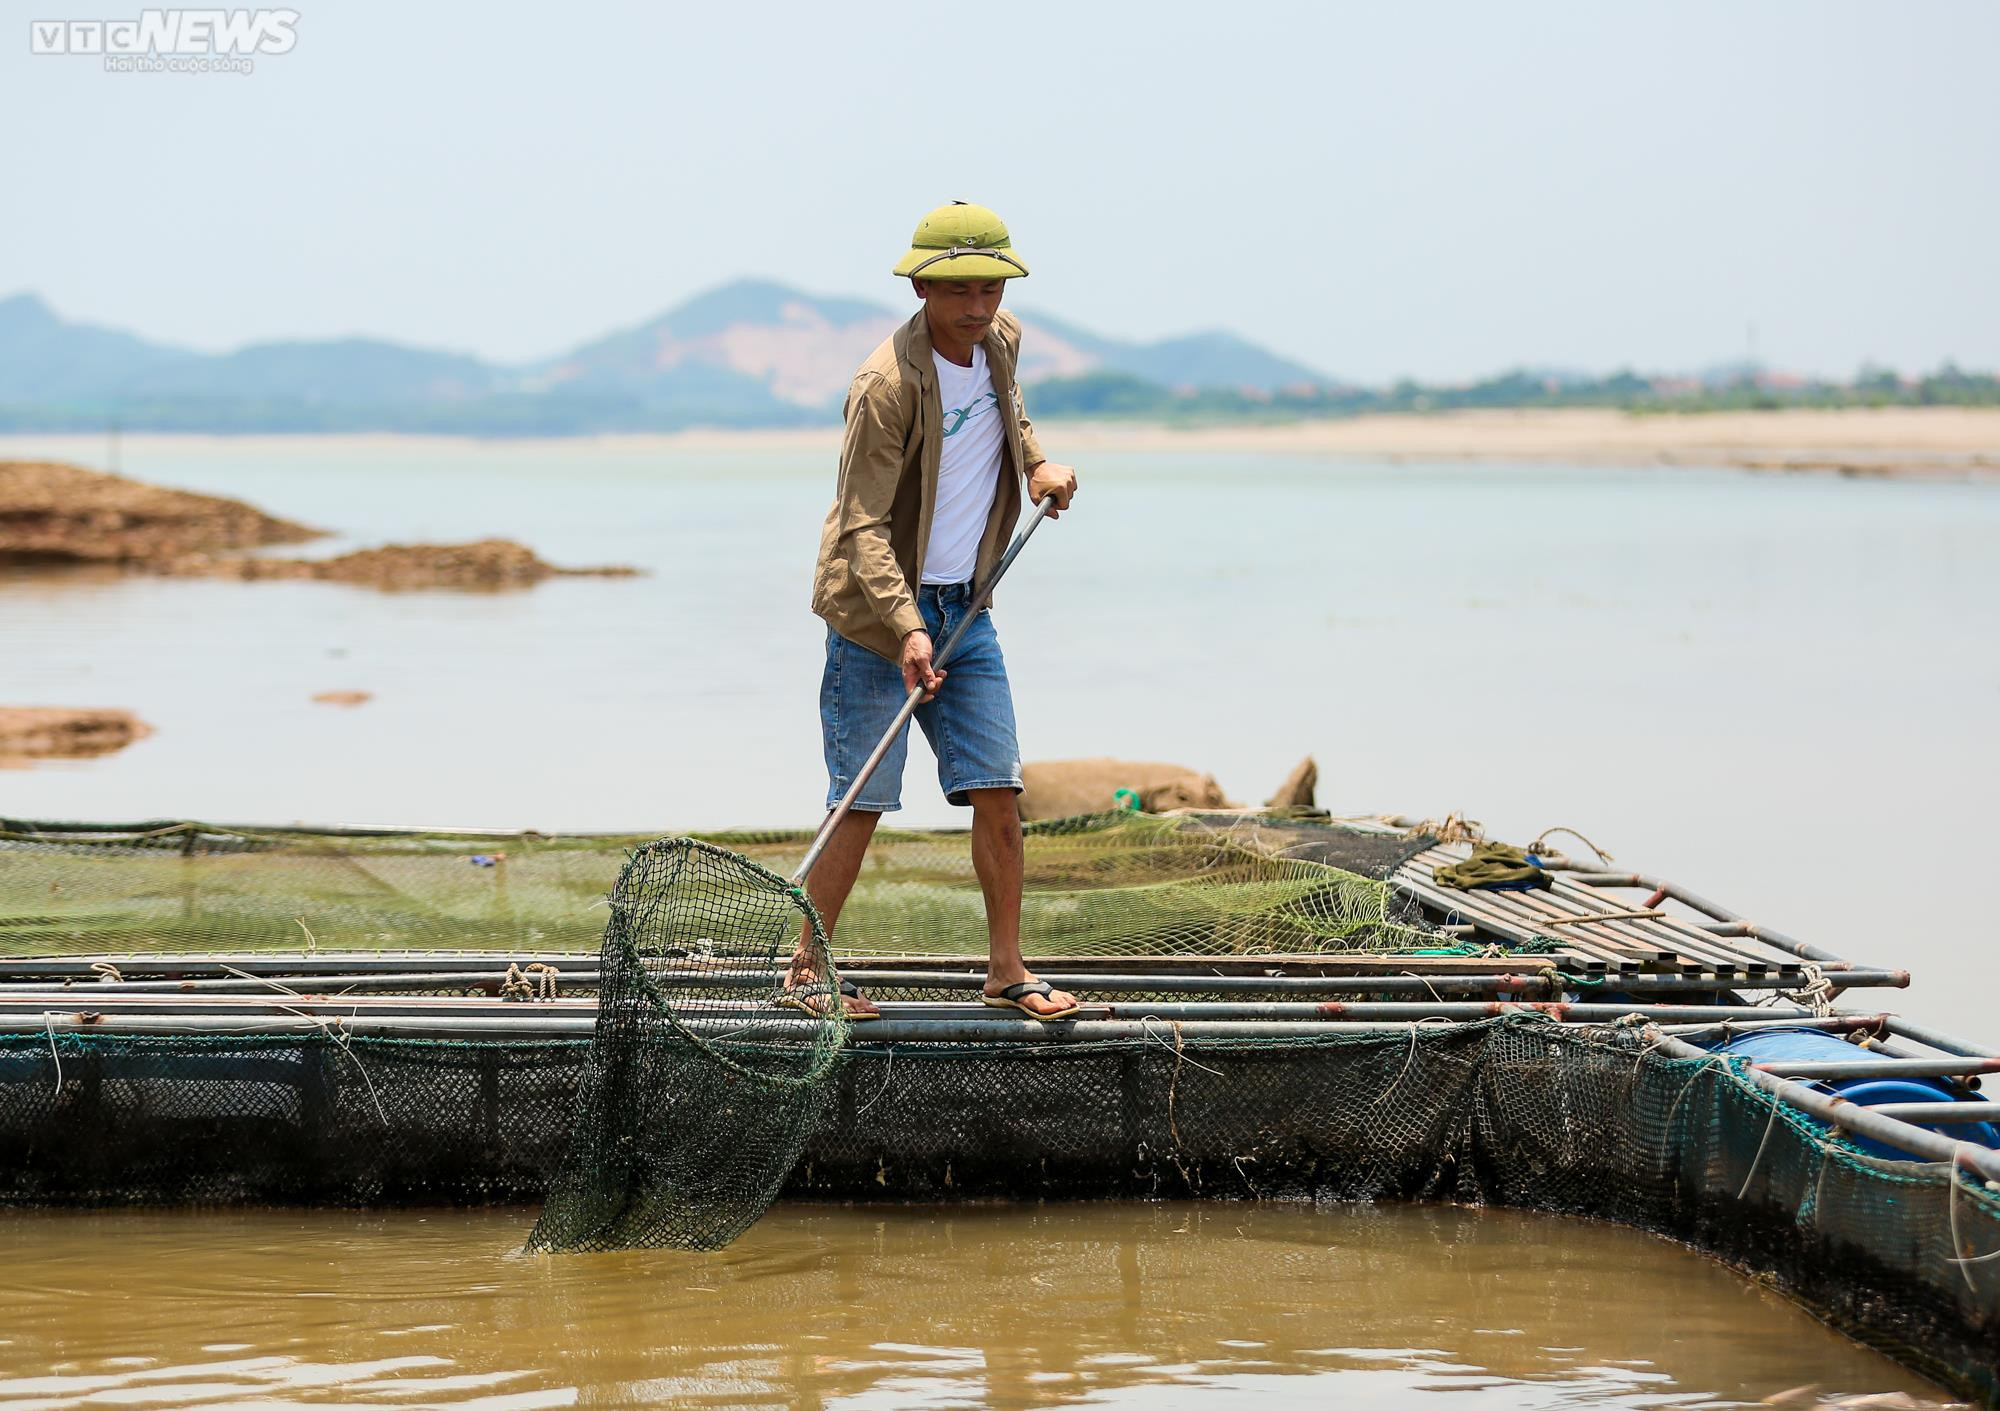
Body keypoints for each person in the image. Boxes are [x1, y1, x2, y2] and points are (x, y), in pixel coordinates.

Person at [790, 201, 1080, 1023]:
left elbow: (1008, 409)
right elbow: (861, 525)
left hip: (970, 604)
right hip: (877, 618)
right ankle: (809, 971)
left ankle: (1006, 970)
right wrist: (908, 627)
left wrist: (1038, 463)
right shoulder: (884, 386)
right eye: (957, 287)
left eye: (990, 285)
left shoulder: (1002, 342)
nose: (976, 305)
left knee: (998, 786)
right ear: (921, 285)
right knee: (864, 794)